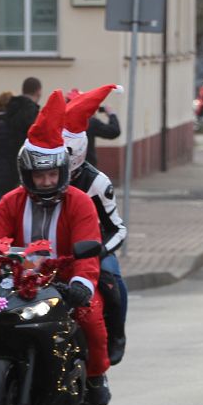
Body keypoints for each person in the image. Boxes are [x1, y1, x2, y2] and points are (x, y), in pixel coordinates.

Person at [0, 90, 111, 405]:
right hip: (16, 283)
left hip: (65, 285)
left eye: (53, 174)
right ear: (27, 174)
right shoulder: (11, 201)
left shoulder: (80, 202)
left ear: (63, 171)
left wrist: (81, 284)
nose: (47, 181)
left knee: (92, 318)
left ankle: (96, 376)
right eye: (40, 175)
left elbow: (88, 250)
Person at [63, 84, 128, 366]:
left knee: (113, 282)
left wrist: (100, 251)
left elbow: (118, 228)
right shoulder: (36, 178)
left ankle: (116, 335)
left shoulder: (96, 183)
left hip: (91, 246)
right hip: (49, 249)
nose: (47, 179)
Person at [4, 77, 42, 178]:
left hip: (9, 162)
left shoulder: (11, 107)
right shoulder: (32, 111)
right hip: (27, 162)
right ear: (39, 91)